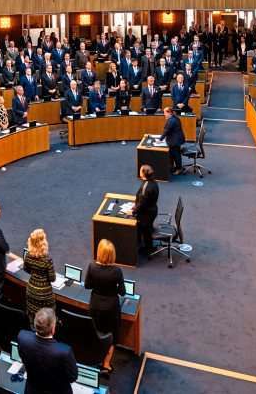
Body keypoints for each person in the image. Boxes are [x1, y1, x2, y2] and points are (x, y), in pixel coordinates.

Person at [84, 239, 125, 371]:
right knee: (112, 335)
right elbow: (122, 292)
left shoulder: (92, 267)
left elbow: (87, 285)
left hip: (95, 305)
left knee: (96, 332)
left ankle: (94, 358)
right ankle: (106, 364)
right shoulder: (117, 271)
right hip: (111, 309)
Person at [17, 308, 79, 394]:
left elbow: (22, 356)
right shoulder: (64, 351)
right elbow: (73, 377)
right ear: (53, 329)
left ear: (35, 325)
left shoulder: (22, 337)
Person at [23, 228, 55, 322]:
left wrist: (35, 274)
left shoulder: (28, 255)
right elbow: (52, 278)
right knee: (46, 319)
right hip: (44, 294)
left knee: (33, 315)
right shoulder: (47, 259)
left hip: (31, 290)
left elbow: (26, 269)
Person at [133, 165, 159, 256]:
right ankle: (148, 245)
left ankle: (148, 249)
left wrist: (134, 211)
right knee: (147, 229)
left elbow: (142, 203)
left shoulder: (146, 187)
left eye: (140, 170)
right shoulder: (153, 182)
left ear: (143, 174)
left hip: (146, 214)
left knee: (145, 231)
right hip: (152, 210)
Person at [161, 106, 185, 173]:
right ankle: (171, 167)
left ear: (169, 113)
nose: (164, 114)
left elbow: (166, 131)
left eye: (165, 113)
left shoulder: (172, 120)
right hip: (176, 139)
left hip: (175, 141)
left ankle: (179, 169)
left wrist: (160, 139)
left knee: (176, 155)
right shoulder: (174, 118)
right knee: (172, 154)